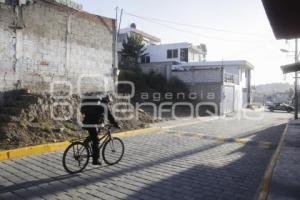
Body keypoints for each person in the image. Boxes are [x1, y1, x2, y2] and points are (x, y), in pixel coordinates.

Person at [80, 94, 119, 165]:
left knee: (94, 134)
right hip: (92, 124)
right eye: (109, 101)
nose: (109, 103)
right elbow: (109, 116)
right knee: (96, 141)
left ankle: (85, 145)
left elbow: (98, 115)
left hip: (86, 122)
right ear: (107, 100)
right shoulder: (104, 105)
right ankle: (96, 160)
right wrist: (115, 124)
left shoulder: (96, 104)